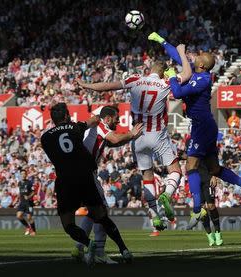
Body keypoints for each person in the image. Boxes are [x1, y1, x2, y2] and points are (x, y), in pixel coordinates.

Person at [148, 32, 241, 229]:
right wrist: (161, 40)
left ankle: (197, 210)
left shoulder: (203, 79)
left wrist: (171, 77)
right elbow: (178, 56)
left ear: (203, 65)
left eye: (198, 57)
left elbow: (177, 93)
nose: (194, 57)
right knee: (213, 168)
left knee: (191, 166)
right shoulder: (195, 73)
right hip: (203, 125)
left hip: (202, 125)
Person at [76, 61, 182, 230]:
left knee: (147, 175)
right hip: (158, 134)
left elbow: (106, 87)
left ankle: (155, 216)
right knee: (175, 170)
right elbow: (187, 77)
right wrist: (176, 67)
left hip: (137, 135)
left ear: (150, 70)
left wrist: (85, 85)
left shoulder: (135, 79)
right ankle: (167, 195)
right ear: (163, 73)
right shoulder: (165, 83)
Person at [40, 103, 133, 265]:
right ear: (67, 116)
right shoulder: (75, 127)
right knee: (100, 212)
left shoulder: (45, 137)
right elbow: (94, 122)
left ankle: (83, 245)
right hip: (85, 175)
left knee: (69, 224)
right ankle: (107, 250)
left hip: (64, 180)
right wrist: (99, 118)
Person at [73, 105, 143, 264]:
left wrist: (131, 137)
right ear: (108, 118)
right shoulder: (100, 126)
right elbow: (115, 138)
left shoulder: (96, 130)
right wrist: (131, 134)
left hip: (80, 172)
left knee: (93, 211)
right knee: (101, 209)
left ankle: (78, 248)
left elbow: (114, 143)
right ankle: (99, 251)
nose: (118, 122)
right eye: (116, 118)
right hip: (85, 172)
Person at [16, 169, 36, 236]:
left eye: (24, 174)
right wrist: (18, 198)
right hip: (22, 202)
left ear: (26, 174)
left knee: (29, 217)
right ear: (20, 175)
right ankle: (28, 227)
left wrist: (28, 197)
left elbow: (33, 192)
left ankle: (34, 231)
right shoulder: (19, 183)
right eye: (22, 174)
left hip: (29, 202)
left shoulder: (30, 182)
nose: (23, 175)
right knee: (19, 216)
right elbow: (21, 192)